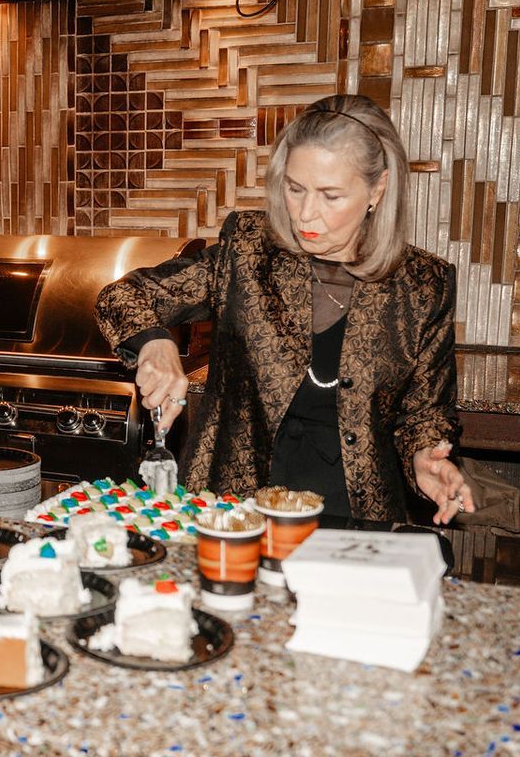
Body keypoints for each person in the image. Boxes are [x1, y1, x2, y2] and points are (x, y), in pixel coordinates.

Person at [95, 94, 474, 524]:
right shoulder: (249, 250)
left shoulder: (423, 284)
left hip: (355, 520)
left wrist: (425, 456)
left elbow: (427, 413)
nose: (305, 213)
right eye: (295, 189)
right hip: (235, 513)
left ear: (378, 189)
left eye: (331, 196)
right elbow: (123, 296)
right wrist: (155, 343)